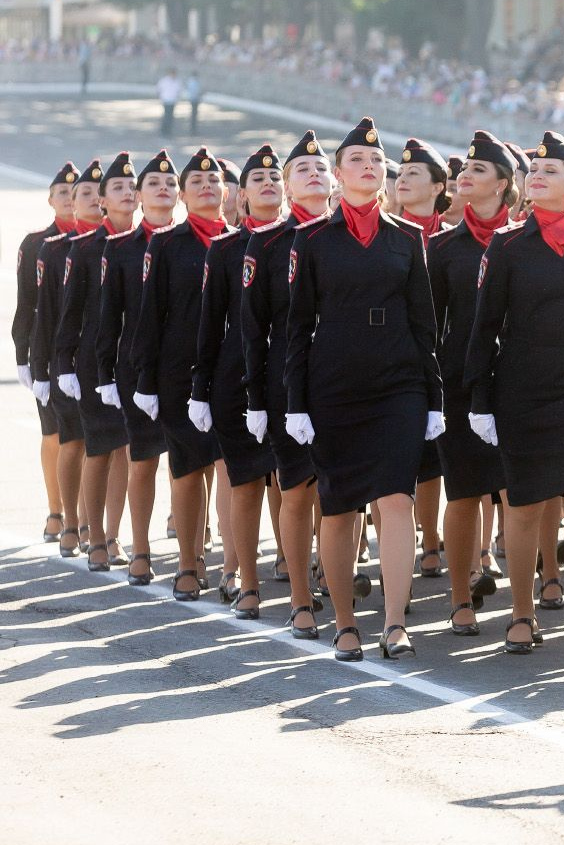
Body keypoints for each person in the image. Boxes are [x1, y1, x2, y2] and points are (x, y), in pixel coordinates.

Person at [465, 130, 564, 660]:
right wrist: (480, 397)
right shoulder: (507, 243)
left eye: (552, 171)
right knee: (526, 503)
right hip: (523, 383)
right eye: (534, 171)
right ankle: (521, 614)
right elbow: (485, 325)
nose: (538, 177)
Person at [285, 117, 443, 661]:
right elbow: (297, 327)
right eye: (357, 160)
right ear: (338, 174)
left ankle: (396, 622)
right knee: (340, 506)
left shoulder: (405, 238)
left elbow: (424, 324)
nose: (370, 168)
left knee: (397, 496)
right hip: (335, 384)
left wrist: (434, 399)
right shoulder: (312, 241)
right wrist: (294, 402)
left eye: (377, 162)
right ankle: (346, 622)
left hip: (398, 384)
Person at [241, 130, 332, 636]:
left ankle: (333, 580)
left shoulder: (347, 235)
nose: (313, 175)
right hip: (287, 386)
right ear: (289, 190)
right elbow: (253, 329)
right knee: (296, 490)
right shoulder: (269, 243)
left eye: (321, 169)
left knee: (340, 495)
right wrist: (256, 397)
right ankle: (299, 596)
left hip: (345, 380)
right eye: (302, 171)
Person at [426, 130, 515, 635]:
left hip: (518, 382)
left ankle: (528, 596)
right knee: (462, 493)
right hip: (459, 383)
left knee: (521, 495)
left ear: (503, 184)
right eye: (465, 169)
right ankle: (461, 596)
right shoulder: (442, 247)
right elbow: (430, 322)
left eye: (479, 171)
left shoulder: (525, 239)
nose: (466, 176)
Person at [131, 147, 228, 601]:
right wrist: (146, 381)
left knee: (232, 470)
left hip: (232, 371)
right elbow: (150, 317)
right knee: (188, 468)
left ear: (227, 193)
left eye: (214, 182)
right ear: (185, 197)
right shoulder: (166, 244)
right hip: (179, 373)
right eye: (197, 183)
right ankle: (188, 563)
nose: (207, 187)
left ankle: (231, 564)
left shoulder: (241, 241)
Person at [193, 144, 284, 619]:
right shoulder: (226, 248)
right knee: (245, 479)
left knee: (294, 483)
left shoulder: (302, 241)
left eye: (275, 177)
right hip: (236, 376)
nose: (268, 183)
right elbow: (211, 324)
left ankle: (297, 567)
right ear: (242, 195)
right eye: (258, 179)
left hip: (290, 376)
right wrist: (199, 389)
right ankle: (243, 577)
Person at [53, 152, 138, 573]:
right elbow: (70, 312)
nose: (127, 194)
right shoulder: (85, 249)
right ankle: (93, 537)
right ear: (102, 201)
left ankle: (114, 532)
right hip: (92, 360)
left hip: (134, 359)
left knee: (127, 448)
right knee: (100, 447)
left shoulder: (147, 244)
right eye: (117, 188)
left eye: (130, 188)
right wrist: (63, 365)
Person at [96, 150, 175, 585]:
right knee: (143, 458)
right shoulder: (121, 249)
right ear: (139, 197)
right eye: (153, 185)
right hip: (136, 369)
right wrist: (106, 372)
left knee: (189, 463)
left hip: (185, 366)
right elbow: (110, 317)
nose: (163, 188)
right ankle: (140, 548)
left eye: (169, 183)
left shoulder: (193, 244)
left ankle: (192, 553)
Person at [31, 158, 101, 559]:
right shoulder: (53, 250)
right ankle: (68, 518)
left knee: (110, 449)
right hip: (67, 359)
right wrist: (37, 365)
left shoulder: (117, 244)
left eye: (96, 192)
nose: (89, 200)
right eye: (81, 194)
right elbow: (40, 310)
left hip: (107, 361)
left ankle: (101, 528)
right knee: (70, 440)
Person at [395, 137, 454, 574]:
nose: (403, 178)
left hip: (445, 360)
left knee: (438, 460)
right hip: (396, 359)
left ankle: (432, 540)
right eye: (400, 172)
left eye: (414, 173)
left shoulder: (452, 241)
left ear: (438, 187)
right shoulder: (384, 234)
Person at [14, 161, 79, 546]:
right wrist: (24, 355)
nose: (70, 200)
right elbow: (27, 304)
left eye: (78, 193)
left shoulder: (98, 240)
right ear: (50, 200)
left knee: (90, 441)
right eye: (63, 194)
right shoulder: (36, 243)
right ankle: (56, 510)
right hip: (49, 352)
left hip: (87, 354)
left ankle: (84, 517)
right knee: (54, 433)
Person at [157, 68, 180, 137]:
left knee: (170, 117)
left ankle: (168, 131)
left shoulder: (177, 81)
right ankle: (163, 131)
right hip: (166, 100)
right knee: (166, 116)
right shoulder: (164, 81)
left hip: (172, 101)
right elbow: (158, 89)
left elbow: (179, 91)